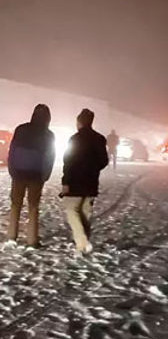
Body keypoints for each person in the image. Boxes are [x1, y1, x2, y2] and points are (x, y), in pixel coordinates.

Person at [6, 104, 55, 247]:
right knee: (33, 207)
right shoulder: (48, 135)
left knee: (15, 205)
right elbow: (49, 157)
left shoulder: (21, 129)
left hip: (18, 173)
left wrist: (12, 169)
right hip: (36, 175)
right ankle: (32, 240)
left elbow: (12, 151)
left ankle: (11, 236)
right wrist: (45, 175)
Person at [61, 108, 109, 255]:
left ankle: (82, 242)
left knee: (71, 210)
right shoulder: (100, 139)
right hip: (91, 181)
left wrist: (65, 181)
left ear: (79, 122)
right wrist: (93, 169)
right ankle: (83, 245)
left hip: (75, 181)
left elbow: (68, 161)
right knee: (86, 212)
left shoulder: (75, 139)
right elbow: (104, 161)